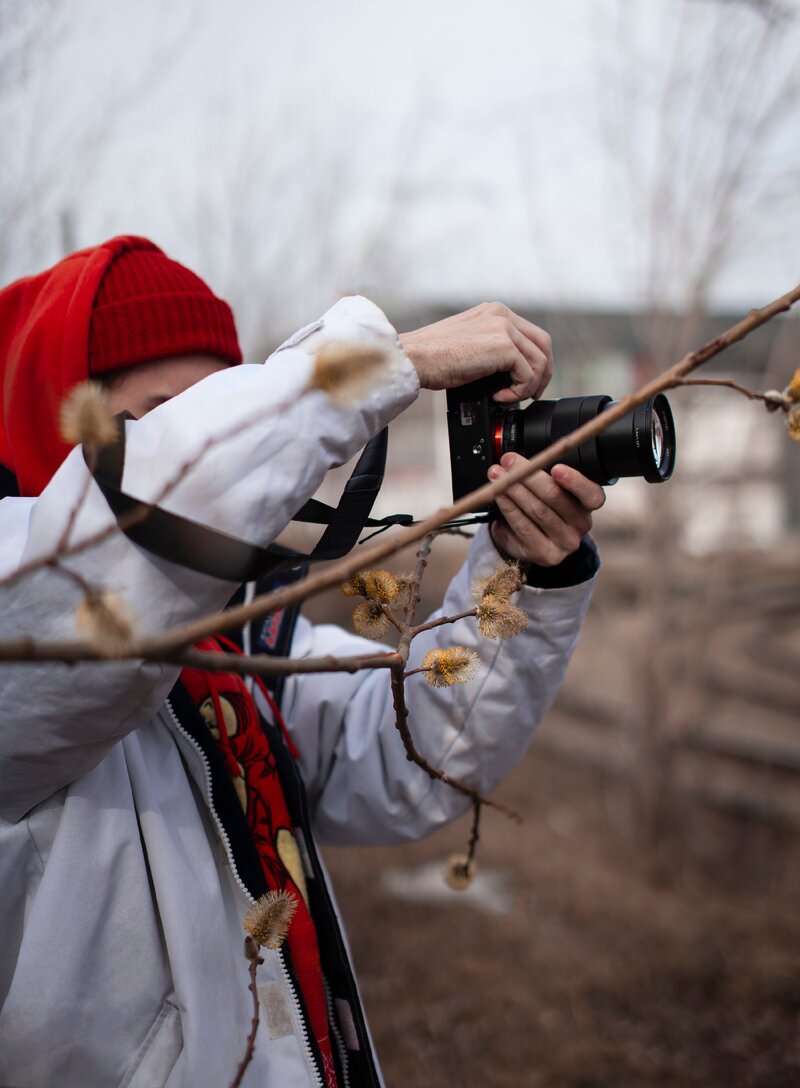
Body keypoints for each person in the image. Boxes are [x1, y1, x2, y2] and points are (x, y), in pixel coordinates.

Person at [0, 235, 604, 1088]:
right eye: (163, 418)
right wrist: (378, 363)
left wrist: (524, 574)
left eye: (223, 406)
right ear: (54, 416)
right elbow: (106, 569)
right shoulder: (20, 633)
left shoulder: (242, 639)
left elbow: (409, 755)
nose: (210, 444)